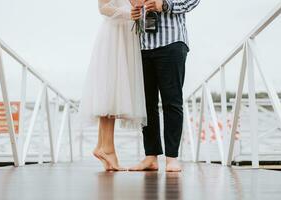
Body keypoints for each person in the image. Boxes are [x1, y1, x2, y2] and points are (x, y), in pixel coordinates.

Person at [129, 0, 200, 172]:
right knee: (147, 104)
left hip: (172, 42)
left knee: (172, 102)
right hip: (143, 45)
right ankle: (151, 157)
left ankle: (172, 158)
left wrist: (165, 4)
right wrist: (134, 13)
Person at [79, 0, 147, 171]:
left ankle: (103, 146)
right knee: (111, 87)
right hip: (114, 33)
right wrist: (128, 13)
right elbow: (103, 7)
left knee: (114, 89)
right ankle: (106, 148)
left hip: (127, 34)